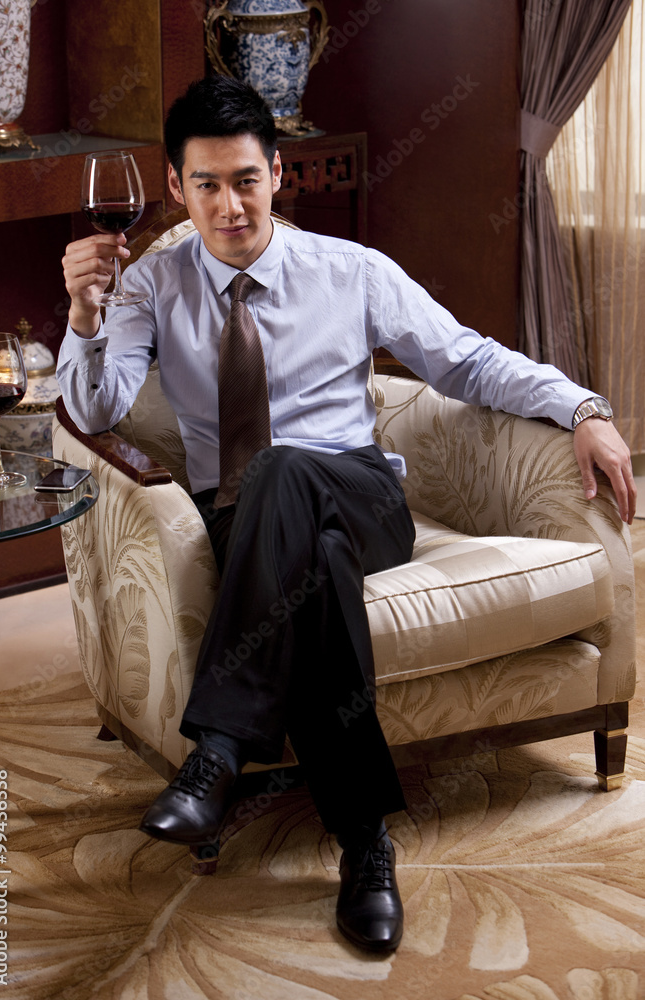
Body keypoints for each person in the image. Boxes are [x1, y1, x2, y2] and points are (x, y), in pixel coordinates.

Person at [59, 75, 636, 954]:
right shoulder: (147, 287)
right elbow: (94, 412)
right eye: (207, 184)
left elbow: (468, 363)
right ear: (175, 187)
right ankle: (366, 844)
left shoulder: (349, 270)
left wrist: (584, 409)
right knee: (312, 565)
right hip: (247, 526)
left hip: (364, 497)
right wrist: (82, 314)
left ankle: (216, 750)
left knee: (291, 472)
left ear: (278, 173)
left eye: (245, 180)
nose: (229, 205)